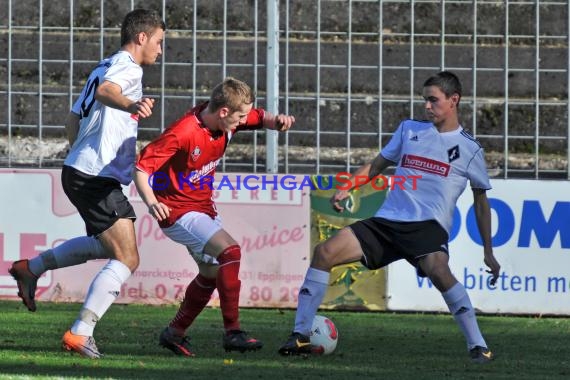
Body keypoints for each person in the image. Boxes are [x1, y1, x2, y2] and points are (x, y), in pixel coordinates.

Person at [278, 71, 501, 363]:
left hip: (427, 226)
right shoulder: (410, 130)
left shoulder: (470, 150)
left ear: (453, 100)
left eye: (433, 100)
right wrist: (348, 187)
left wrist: (488, 251)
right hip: (388, 221)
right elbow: (377, 165)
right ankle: (301, 335)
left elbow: (481, 203)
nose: (427, 106)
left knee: (438, 270)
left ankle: (478, 346)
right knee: (324, 252)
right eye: (425, 101)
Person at [8, 9, 165, 358]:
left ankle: (29, 269)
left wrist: (80, 154)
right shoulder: (128, 68)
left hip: (83, 170)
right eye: (159, 41)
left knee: (106, 247)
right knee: (127, 258)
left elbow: (72, 118)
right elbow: (110, 92)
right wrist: (132, 105)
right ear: (141, 38)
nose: (160, 50)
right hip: (96, 175)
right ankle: (81, 331)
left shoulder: (102, 65)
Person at [133, 77, 295, 356]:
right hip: (177, 211)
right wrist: (151, 202)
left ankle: (174, 333)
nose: (243, 121)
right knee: (230, 251)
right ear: (223, 112)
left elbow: (258, 116)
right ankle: (233, 332)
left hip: (203, 209)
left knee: (210, 275)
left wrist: (275, 121)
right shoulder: (183, 132)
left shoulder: (227, 118)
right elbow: (141, 168)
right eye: (239, 116)